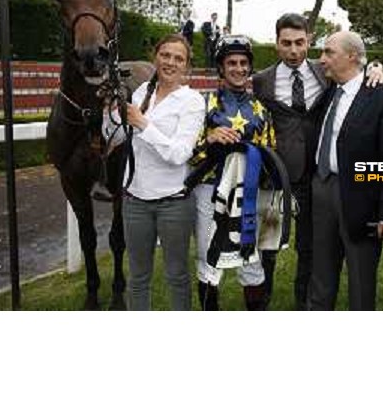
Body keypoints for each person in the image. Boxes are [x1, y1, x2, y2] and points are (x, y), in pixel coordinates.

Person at [252, 13, 383, 310]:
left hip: (315, 177)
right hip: (274, 177)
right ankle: (260, 304)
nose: (293, 50)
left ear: (309, 41)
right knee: (267, 246)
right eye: (286, 43)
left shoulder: (324, 71)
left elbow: (353, 72)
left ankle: (305, 305)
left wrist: (375, 66)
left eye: (300, 43)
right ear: (276, 43)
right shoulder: (261, 81)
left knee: (311, 249)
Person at [102, 34, 205, 310]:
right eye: (165, 55)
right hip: (134, 199)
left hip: (173, 202)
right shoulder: (141, 92)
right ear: (155, 57)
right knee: (137, 277)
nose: (170, 62)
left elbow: (179, 154)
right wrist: (110, 114)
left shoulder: (192, 101)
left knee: (176, 276)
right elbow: (117, 138)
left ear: (186, 67)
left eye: (178, 58)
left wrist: (143, 123)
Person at [308, 31, 383, 311]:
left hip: (361, 196)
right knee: (322, 266)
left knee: (361, 275)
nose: (322, 59)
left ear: (351, 56)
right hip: (322, 186)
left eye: (329, 52)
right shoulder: (328, 90)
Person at [189, 34, 276, 311]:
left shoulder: (261, 109)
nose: (238, 68)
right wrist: (210, 139)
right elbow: (189, 153)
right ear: (221, 67)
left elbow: (270, 152)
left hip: (248, 193)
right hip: (209, 190)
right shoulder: (204, 104)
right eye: (231, 63)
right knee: (208, 256)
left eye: (243, 63)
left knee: (250, 258)